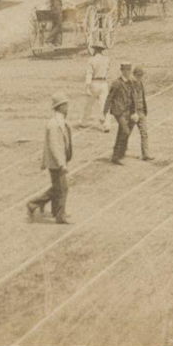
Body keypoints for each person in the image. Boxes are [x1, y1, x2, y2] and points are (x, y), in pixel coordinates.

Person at [27, 93, 74, 224]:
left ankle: (52, 210)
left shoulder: (62, 121)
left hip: (59, 160)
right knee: (62, 188)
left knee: (58, 187)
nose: (68, 107)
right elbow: (54, 146)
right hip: (55, 162)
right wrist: (61, 164)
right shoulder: (54, 124)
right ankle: (57, 214)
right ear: (60, 107)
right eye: (66, 105)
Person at [105, 61, 138, 164]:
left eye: (129, 70)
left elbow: (133, 98)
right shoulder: (116, 83)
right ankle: (118, 154)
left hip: (127, 111)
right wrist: (105, 111)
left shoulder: (131, 83)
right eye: (125, 70)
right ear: (122, 71)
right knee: (125, 131)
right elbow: (109, 97)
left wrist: (134, 111)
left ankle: (117, 154)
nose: (127, 72)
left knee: (122, 131)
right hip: (118, 111)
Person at [82, 44, 110, 131]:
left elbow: (89, 73)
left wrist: (87, 86)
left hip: (94, 82)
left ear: (95, 50)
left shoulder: (91, 60)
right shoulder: (107, 59)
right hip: (104, 83)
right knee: (104, 105)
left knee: (89, 104)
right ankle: (106, 125)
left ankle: (84, 121)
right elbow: (107, 69)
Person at [131, 66, 153, 161]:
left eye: (141, 75)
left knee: (144, 133)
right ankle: (118, 153)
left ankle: (146, 154)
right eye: (138, 75)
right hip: (132, 113)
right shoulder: (130, 85)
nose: (140, 77)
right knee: (125, 133)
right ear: (134, 74)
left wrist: (144, 110)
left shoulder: (140, 83)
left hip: (141, 112)